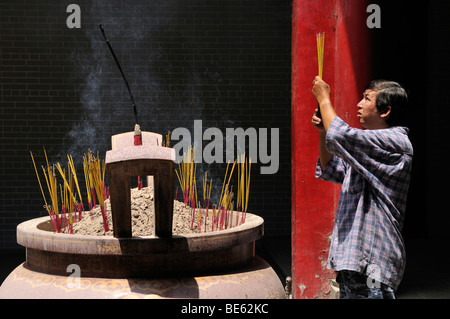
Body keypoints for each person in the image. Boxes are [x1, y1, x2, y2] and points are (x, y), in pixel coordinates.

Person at [311, 76, 413, 299]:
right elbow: (331, 169)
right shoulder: (366, 151)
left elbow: (340, 134)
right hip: (353, 259)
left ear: (385, 111)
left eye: (367, 98)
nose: (359, 104)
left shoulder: (396, 142)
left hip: (375, 259)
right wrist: (322, 133)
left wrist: (324, 98)